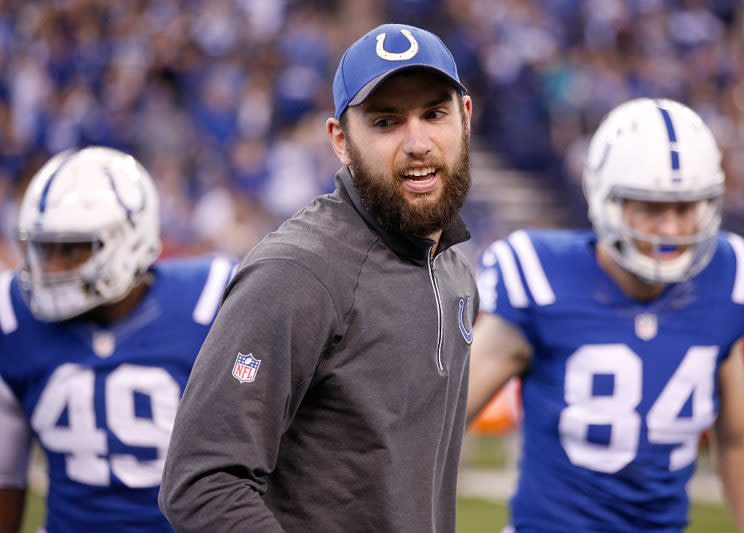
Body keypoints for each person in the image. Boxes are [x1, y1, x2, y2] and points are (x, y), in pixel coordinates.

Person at [158, 23, 478, 532]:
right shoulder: (296, 273)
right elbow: (203, 483)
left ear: (465, 117)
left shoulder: (453, 265)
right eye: (385, 121)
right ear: (340, 141)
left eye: (434, 114)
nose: (417, 142)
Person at [467, 97, 744, 531]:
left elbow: (737, 441)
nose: (670, 229)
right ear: (603, 197)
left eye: (686, 207)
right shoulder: (540, 277)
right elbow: (441, 423)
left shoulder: (726, 280)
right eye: (650, 207)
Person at [0, 146, 234, 533]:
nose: (51, 268)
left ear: (129, 240)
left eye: (71, 249)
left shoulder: (213, 301)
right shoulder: (13, 318)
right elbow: (6, 478)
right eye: (42, 249)